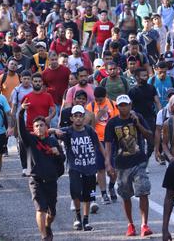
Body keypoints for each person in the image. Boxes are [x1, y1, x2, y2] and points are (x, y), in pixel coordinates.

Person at [104, 94, 153, 237]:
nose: (124, 107)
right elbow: (108, 144)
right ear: (117, 107)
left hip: (139, 161)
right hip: (122, 164)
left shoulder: (137, 117)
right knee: (126, 195)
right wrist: (108, 164)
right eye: (121, 105)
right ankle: (130, 224)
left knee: (143, 191)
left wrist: (138, 124)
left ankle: (144, 224)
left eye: (126, 105)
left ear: (131, 105)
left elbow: (149, 135)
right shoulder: (112, 123)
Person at [49, 105, 105, 231]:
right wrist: (54, 130)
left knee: (88, 195)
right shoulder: (67, 131)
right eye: (76, 116)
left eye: (81, 116)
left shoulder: (89, 130)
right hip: (75, 168)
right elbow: (47, 131)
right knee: (76, 193)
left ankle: (86, 220)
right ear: (71, 118)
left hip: (90, 167)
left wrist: (105, 160)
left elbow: (98, 145)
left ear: (84, 117)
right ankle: (77, 217)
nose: (78, 119)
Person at [18, 116, 64, 241]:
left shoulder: (53, 142)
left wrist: (57, 153)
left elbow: (62, 161)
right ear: (33, 129)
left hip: (51, 181)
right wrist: (21, 112)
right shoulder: (31, 140)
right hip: (36, 181)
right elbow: (21, 130)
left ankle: (48, 225)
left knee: (52, 213)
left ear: (46, 127)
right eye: (36, 126)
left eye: (41, 125)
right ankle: (44, 236)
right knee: (40, 209)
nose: (39, 128)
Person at [86, 87, 119, 204]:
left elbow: (117, 122)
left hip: (112, 141)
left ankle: (111, 186)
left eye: (100, 100)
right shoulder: (90, 107)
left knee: (114, 169)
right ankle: (104, 193)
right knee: (100, 169)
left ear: (105, 96)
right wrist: (97, 116)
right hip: (97, 141)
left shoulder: (113, 105)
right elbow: (88, 126)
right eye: (96, 99)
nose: (98, 102)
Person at [10, 70, 34, 176]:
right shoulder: (17, 90)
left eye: (28, 79)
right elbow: (14, 107)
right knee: (22, 143)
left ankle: (33, 165)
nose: (26, 81)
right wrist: (12, 123)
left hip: (32, 120)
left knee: (33, 143)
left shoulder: (34, 89)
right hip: (21, 120)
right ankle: (24, 166)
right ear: (21, 79)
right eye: (24, 78)